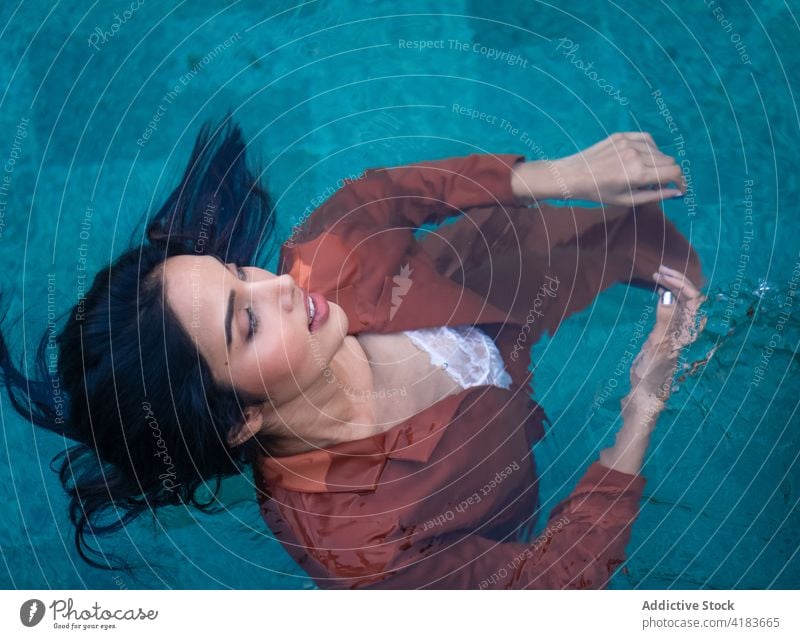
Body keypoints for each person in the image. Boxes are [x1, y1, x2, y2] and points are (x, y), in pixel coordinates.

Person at [0, 118, 706, 588]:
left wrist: (560, 175)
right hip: (503, 501)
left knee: (671, 238)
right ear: (240, 421)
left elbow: (385, 195)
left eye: (241, 272)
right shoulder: (363, 544)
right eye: (246, 324)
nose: (279, 282)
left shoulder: (322, 256)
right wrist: (642, 406)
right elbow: (546, 590)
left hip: (485, 286)